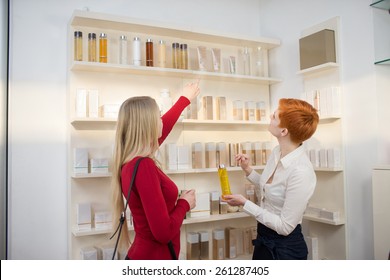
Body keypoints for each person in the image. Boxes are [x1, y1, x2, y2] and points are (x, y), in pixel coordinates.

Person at [111, 81, 200, 260]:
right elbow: (164, 233)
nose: (162, 121)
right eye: (158, 117)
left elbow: (164, 126)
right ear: (148, 126)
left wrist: (184, 99)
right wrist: (184, 203)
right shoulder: (143, 166)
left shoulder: (129, 162)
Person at [224, 98, 319, 260]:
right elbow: (271, 188)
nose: (270, 116)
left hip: (285, 250)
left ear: (284, 132)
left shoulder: (301, 171)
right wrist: (248, 169)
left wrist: (245, 204)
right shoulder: (277, 152)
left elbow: (285, 227)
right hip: (263, 239)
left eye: (274, 116)